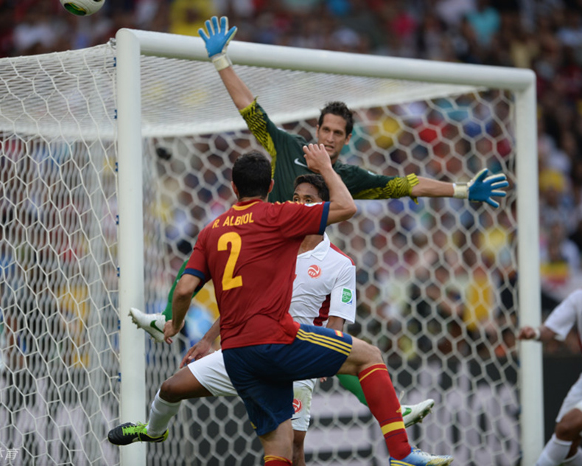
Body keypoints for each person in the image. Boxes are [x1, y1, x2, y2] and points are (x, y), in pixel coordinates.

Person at [155, 14, 510, 412]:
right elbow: (248, 109)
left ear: (346, 139)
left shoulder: (346, 176)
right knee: (205, 260)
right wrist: (220, 59)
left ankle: (391, 410)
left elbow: (406, 184)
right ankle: (167, 321)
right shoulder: (286, 147)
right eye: (325, 130)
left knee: (326, 344)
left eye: (338, 133)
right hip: (263, 258)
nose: (329, 138)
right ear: (317, 128)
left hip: (302, 266)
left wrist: (462, 190)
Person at [111, 147, 452, 466]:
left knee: (277, 446)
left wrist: (174, 324)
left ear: (233, 187)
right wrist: (325, 168)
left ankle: (153, 430)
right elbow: (347, 207)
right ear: (272, 186)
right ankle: (401, 453)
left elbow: (184, 289)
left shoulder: (211, 230)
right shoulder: (278, 217)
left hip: (238, 355)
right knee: (370, 356)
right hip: (277, 343)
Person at [518, 237, 582, 466]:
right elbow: (550, 328)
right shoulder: (581, 297)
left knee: (567, 427)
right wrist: (534, 333)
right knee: (567, 443)